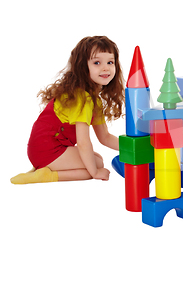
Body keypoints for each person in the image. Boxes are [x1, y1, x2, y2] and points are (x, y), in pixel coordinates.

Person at [11, 36, 125, 184]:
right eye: (97, 62)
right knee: (94, 166)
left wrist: (134, 149)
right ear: (83, 67)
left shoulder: (93, 99)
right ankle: (45, 175)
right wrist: (95, 172)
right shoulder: (81, 97)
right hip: (45, 149)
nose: (105, 68)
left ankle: (44, 167)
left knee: (98, 159)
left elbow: (105, 137)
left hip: (47, 148)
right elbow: (84, 142)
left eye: (110, 62)